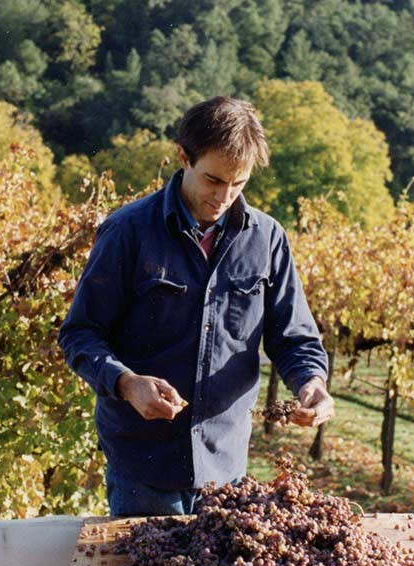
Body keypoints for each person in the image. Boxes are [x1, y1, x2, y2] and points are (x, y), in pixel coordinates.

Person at [58, 96, 334, 517]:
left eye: (238, 184)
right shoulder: (127, 232)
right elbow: (80, 335)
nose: (224, 196)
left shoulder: (267, 239)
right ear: (183, 157)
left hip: (227, 468)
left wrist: (312, 383)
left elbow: (293, 336)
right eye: (213, 180)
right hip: (144, 469)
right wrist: (127, 383)